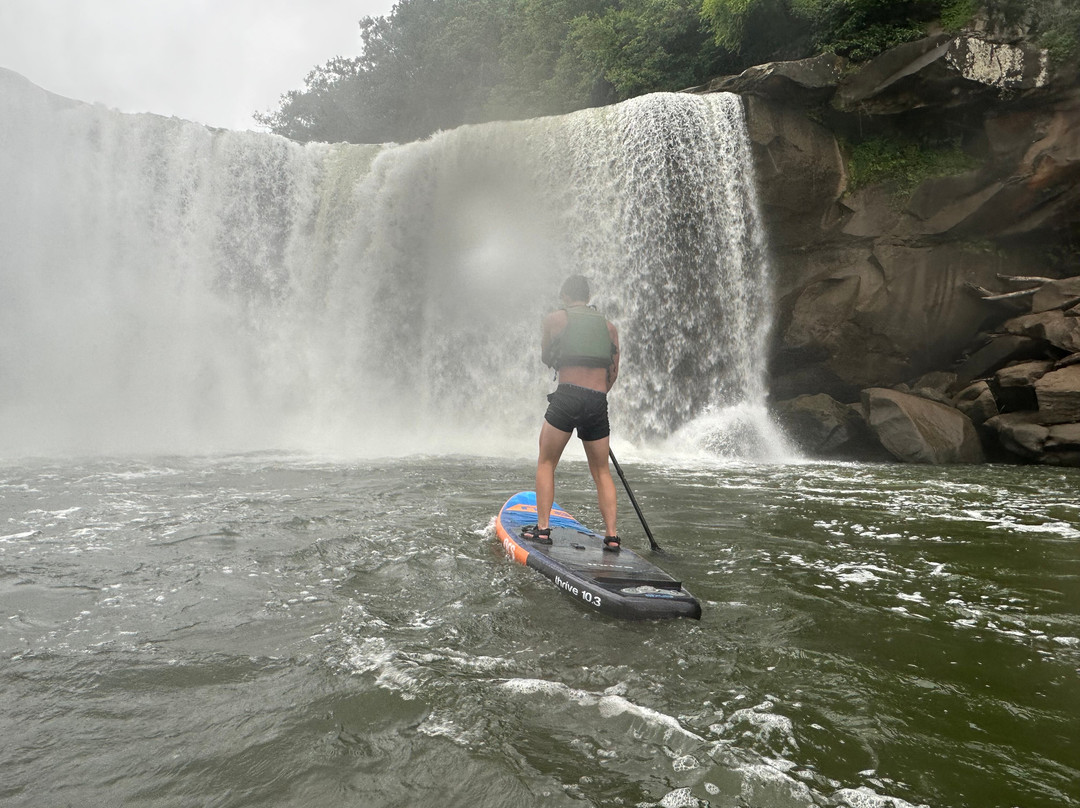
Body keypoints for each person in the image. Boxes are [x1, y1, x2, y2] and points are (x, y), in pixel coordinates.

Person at [522, 275, 621, 551]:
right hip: (597, 401)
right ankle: (612, 537)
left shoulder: (555, 319)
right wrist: (594, 401)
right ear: (587, 298)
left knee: (546, 462)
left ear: (565, 296)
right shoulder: (610, 327)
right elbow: (613, 373)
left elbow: (546, 357)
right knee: (602, 471)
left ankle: (542, 530)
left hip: (566, 397)